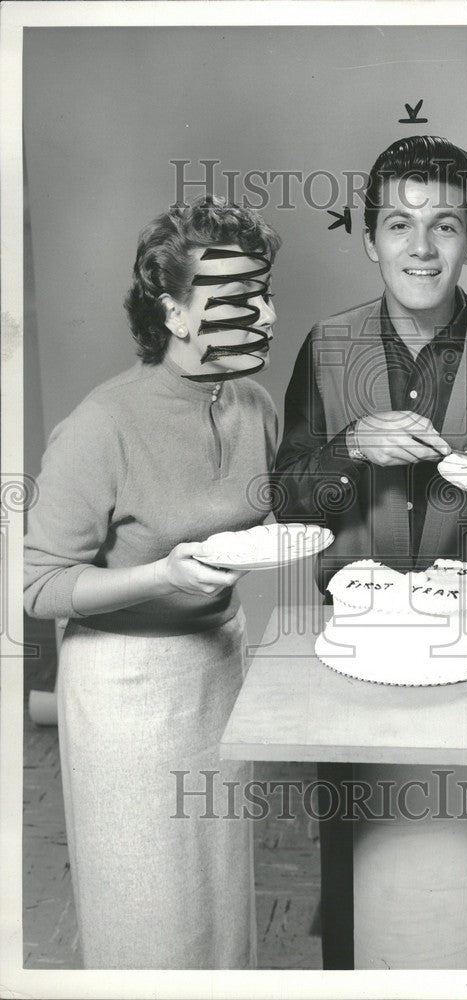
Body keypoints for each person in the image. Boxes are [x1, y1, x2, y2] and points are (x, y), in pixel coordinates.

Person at [273, 135, 467, 969]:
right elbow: (285, 496)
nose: (420, 247)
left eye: (443, 226)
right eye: (398, 226)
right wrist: (347, 446)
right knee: (360, 870)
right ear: (368, 238)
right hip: (354, 650)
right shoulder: (325, 346)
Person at [24, 196, 281, 969]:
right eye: (235, 299)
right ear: (172, 311)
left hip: (221, 666)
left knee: (219, 899)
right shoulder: (101, 424)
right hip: (124, 691)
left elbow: (268, 510)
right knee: (146, 913)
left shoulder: (254, 403)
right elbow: (36, 587)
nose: (263, 314)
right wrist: (159, 573)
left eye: (264, 292)